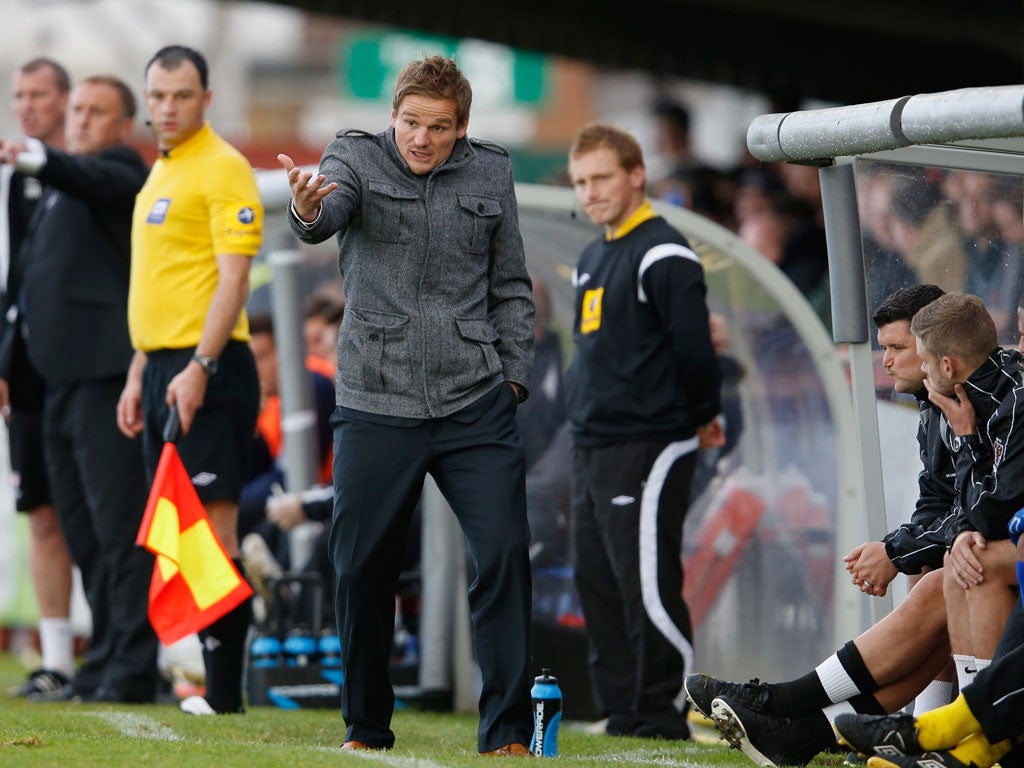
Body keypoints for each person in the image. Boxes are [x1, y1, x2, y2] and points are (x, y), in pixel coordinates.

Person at [278, 54, 535, 754]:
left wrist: (512, 379)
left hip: (475, 400)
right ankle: (366, 726)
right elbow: (322, 214)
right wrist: (305, 205)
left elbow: (512, 284)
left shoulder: (492, 171)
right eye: (411, 122)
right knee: (362, 567)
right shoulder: (353, 157)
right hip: (375, 399)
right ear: (393, 116)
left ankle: (506, 732)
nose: (421, 138)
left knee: (506, 553)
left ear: (462, 129)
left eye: (439, 127)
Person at [687, 284, 968, 766]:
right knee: (934, 571)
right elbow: (940, 502)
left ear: (933, 345)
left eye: (898, 348)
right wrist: (897, 549)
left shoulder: (983, 401)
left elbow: (980, 506)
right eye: (885, 348)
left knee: (945, 575)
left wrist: (896, 552)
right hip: (981, 560)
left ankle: (784, 702)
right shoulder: (936, 407)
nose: (888, 361)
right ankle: (834, 733)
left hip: (996, 565)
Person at [0, 74, 158, 703]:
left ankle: (133, 667)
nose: (84, 120)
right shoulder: (58, 189)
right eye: (81, 111)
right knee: (85, 532)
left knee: (119, 529)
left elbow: (101, 178)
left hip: (104, 379)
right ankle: (105, 661)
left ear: (124, 124)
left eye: (98, 112)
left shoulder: (117, 171)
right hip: (55, 386)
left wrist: (42, 157)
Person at [116, 44, 263, 716]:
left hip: (210, 368)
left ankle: (226, 692)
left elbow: (232, 280)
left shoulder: (225, 167)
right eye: (158, 96)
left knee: (211, 531)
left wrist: (199, 367)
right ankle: (214, 681)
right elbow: (165, 287)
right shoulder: (160, 172)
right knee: (179, 531)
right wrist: (140, 369)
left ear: (206, 98)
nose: (167, 108)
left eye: (181, 95)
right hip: (163, 367)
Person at [565, 121, 724, 740]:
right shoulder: (592, 254)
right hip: (591, 442)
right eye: (581, 181)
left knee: (646, 584)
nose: (590, 192)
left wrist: (700, 416)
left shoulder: (664, 253)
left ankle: (662, 710)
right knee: (596, 580)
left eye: (602, 177)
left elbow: (695, 355)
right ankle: (623, 709)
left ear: (636, 175)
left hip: (650, 443)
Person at [0, 57, 78, 700]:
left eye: (40, 94)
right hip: (25, 378)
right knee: (43, 514)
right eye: (19, 94)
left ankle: (125, 645)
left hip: (87, 375)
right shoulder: (9, 177)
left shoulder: (93, 176)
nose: (27, 105)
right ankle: (57, 659)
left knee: (100, 518)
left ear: (68, 101)